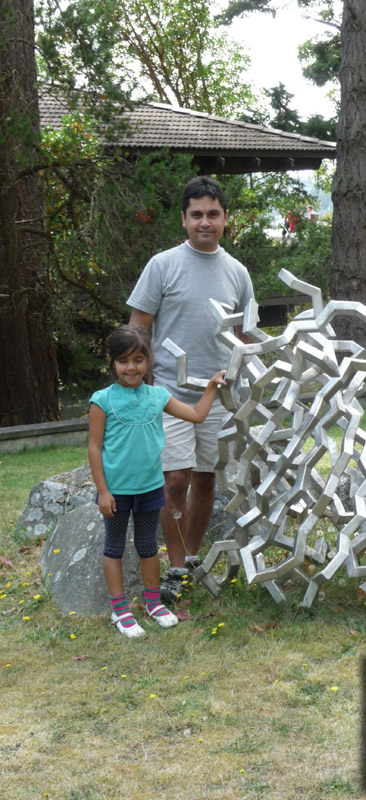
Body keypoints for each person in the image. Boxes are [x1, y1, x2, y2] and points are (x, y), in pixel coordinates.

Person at [127, 176, 255, 604]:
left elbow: (246, 337)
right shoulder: (162, 265)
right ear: (183, 219)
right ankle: (176, 566)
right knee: (174, 479)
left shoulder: (237, 273)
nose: (205, 222)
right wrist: (139, 386)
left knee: (204, 480)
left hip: (220, 395)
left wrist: (252, 382)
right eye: (196, 214)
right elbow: (136, 329)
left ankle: (193, 561)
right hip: (170, 393)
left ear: (225, 219)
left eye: (213, 214)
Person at [88, 324, 227, 638]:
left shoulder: (158, 396)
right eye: (124, 361)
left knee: (149, 547)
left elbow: (196, 415)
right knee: (114, 547)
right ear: (112, 362)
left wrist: (211, 387)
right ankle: (120, 610)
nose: (131, 367)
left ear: (148, 361)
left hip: (150, 489)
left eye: (138, 359)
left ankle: (154, 603)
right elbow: (94, 448)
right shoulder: (102, 401)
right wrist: (103, 492)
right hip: (116, 492)